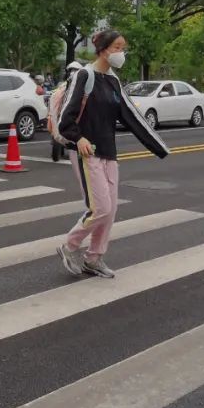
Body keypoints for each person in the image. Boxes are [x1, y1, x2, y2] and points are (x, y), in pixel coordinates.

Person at [56, 29, 169, 279]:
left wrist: (160, 147)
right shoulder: (84, 75)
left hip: (109, 152)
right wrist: (78, 138)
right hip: (88, 152)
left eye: (123, 48)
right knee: (101, 208)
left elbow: (132, 117)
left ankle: (94, 258)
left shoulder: (114, 81)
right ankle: (69, 246)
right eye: (118, 47)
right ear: (104, 49)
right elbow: (66, 118)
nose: (122, 53)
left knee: (110, 211)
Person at [49, 61, 83, 162]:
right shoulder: (63, 85)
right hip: (64, 110)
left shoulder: (82, 84)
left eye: (75, 70)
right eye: (71, 70)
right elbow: (55, 97)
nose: (72, 72)